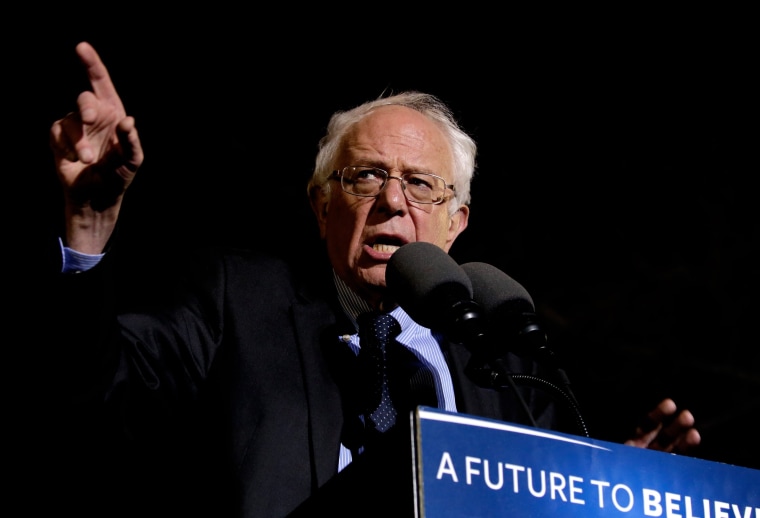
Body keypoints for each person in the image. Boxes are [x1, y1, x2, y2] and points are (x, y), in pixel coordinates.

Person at [42, 41, 701, 517]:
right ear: (320, 203)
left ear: (456, 221)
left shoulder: (501, 365)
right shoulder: (235, 299)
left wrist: (613, 485)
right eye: (366, 176)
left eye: (419, 184)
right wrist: (90, 230)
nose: (393, 202)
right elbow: (95, 399)